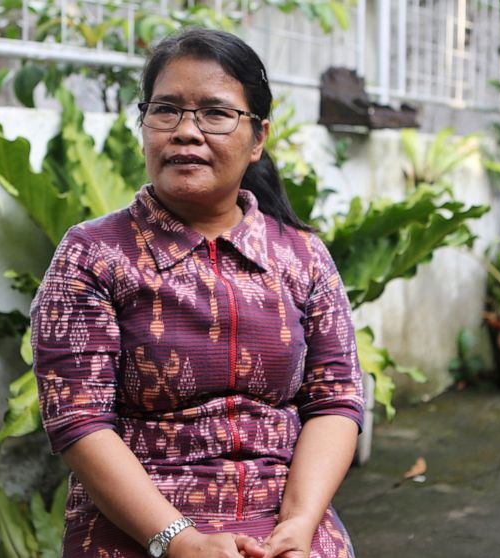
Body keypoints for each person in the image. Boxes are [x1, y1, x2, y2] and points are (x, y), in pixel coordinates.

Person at [30, 28, 364, 558]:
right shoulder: (90, 255)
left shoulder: (303, 257)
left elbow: (335, 400)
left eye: (215, 113)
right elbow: (79, 419)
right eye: (167, 110)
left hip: (287, 523)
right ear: (144, 127)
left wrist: (299, 526)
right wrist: (177, 541)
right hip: (139, 526)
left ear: (257, 138)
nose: (186, 132)